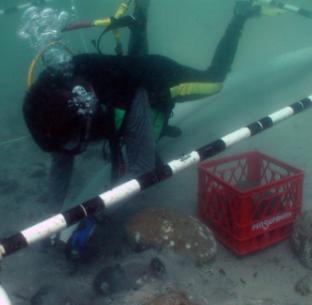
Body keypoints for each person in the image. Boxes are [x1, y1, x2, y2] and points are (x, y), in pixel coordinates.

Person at [23, 0, 262, 259]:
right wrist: (53, 218)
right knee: (132, 63)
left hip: (156, 79)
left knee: (214, 82)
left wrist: (95, 216)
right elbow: (61, 160)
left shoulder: (122, 99)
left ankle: (239, 17)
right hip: (121, 74)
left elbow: (142, 166)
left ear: (87, 116)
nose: (69, 152)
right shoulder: (54, 100)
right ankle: (141, 13)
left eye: (72, 143)